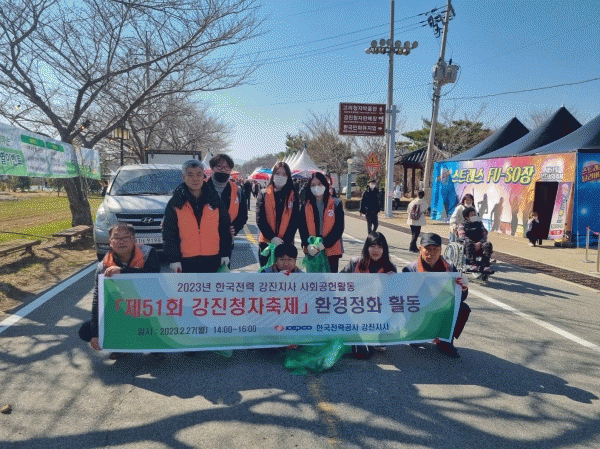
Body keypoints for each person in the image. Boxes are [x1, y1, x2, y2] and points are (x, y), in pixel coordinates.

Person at [78, 223, 162, 359]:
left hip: (147, 307)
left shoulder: (148, 253)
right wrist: (95, 334)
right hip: (121, 310)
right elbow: (97, 299)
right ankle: (119, 345)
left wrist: (122, 272)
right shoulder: (103, 266)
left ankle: (154, 345)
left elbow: (153, 276)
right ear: (110, 242)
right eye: (116, 238)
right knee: (86, 331)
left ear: (134, 240)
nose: (121, 241)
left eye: (126, 237)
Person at [403, 233, 470, 358]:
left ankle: (445, 340)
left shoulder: (450, 268)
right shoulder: (410, 269)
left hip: (440, 308)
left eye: (435, 249)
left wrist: (463, 288)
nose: (431, 253)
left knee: (463, 308)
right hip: (420, 310)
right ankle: (416, 334)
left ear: (441, 250)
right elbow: (404, 299)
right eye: (427, 249)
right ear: (420, 249)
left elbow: (460, 298)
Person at [162, 159, 232, 274]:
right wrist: (173, 259)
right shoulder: (175, 202)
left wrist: (225, 253)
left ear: (203, 176)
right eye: (190, 175)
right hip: (185, 262)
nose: (195, 179)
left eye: (199, 174)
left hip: (213, 259)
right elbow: (169, 233)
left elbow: (224, 229)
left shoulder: (215, 200)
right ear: (183, 177)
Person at [298, 172, 345, 273]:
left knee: (330, 280)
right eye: (313, 185)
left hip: (331, 251)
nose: (316, 187)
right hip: (312, 251)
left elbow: (339, 228)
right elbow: (302, 228)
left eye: (319, 184)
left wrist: (324, 243)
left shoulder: (336, 203)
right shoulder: (305, 205)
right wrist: (307, 244)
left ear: (325, 184)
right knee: (314, 281)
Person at [256, 161, 299, 268]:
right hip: (266, 244)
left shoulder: (293, 195)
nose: (280, 176)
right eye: (278, 173)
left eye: (284, 174)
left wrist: (284, 242)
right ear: (273, 175)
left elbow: (295, 221)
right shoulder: (263, 193)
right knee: (266, 273)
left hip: (286, 244)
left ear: (288, 177)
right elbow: (260, 219)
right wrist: (272, 238)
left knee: (285, 275)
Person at [206, 154, 248, 264]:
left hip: (226, 243)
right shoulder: (200, 188)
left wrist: (235, 228)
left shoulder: (237, 190)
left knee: (223, 273)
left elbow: (243, 215)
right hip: (202, 244)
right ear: (212, 167)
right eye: (219, 166)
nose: (223, 170)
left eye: (227, 167)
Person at [458, 207, 493, 272]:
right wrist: (474, 244)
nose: (474, 216)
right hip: (468, 245)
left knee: (488, 244)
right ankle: (473, 264)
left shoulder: (480, 224)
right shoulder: (462, 225)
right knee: (469, 243)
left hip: (479, 243)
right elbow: (462, 236)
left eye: (474, 214)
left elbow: (484, 235)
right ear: (466, 217)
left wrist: (479, 243)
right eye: (472, 214)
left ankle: (485, 265)